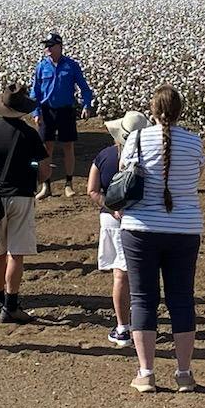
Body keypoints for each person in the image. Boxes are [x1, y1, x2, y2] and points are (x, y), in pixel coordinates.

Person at [118, 85, 204, 393]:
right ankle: (184, 372)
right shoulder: (194, 142)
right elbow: (195, 176)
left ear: (152, 111)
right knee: (182, 299)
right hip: (184, 228)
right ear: (180, 111)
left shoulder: (137, 139)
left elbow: (123, 174)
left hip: (140, 228)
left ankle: (146, 372)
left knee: (143, 299)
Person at [0, 85, 50, 323]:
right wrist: (34, 172)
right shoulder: (29, 134)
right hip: (20, 196)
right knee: (16, 253)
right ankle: (11, 305)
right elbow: (43, 171)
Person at [87, 113, 140, 347]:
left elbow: (92, 190)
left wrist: (112, 207)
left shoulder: (104, 156)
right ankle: (140, 323)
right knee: (141, 274)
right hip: (142, 220)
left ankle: (123, 327)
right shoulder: (149, 157)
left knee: (120, 275)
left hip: (112, 219)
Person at [31, 32, 97, 195]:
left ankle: (69, 184)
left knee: (68, 146)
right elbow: (35, 91)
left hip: (66, 111)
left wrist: (86, 105)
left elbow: (84, 87)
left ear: (59, 47)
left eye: (50, 46)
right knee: (47, 148)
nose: (47, 49)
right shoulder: (41, 67)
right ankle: (46, 185)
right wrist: (36, 112)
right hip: (47, 111)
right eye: (46, 46)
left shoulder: (71, 65)